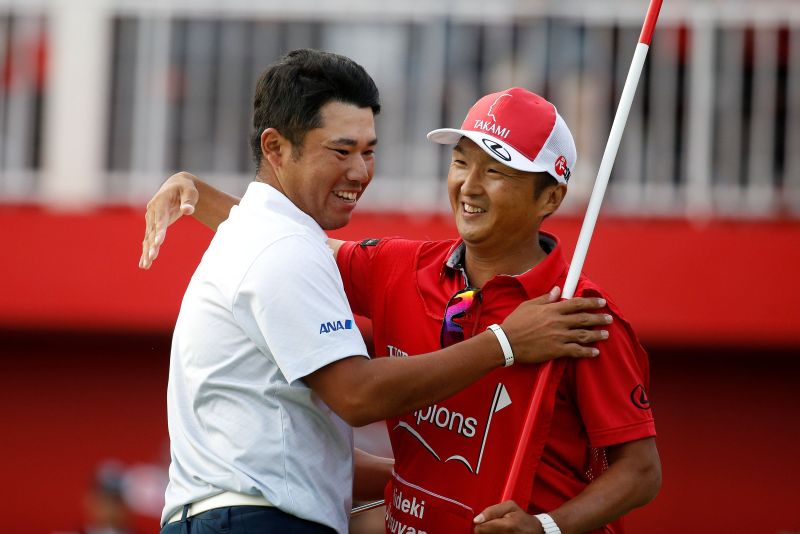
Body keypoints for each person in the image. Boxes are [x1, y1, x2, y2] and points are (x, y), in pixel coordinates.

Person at [142, 86, 661, 533]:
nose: (469, 186)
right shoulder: (399, 266)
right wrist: (196, 194)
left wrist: (547, 527)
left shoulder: (579, 314)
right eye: (462, 163)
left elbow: (640, 471)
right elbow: (291, 250)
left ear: (550, 198)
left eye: (496, 171)